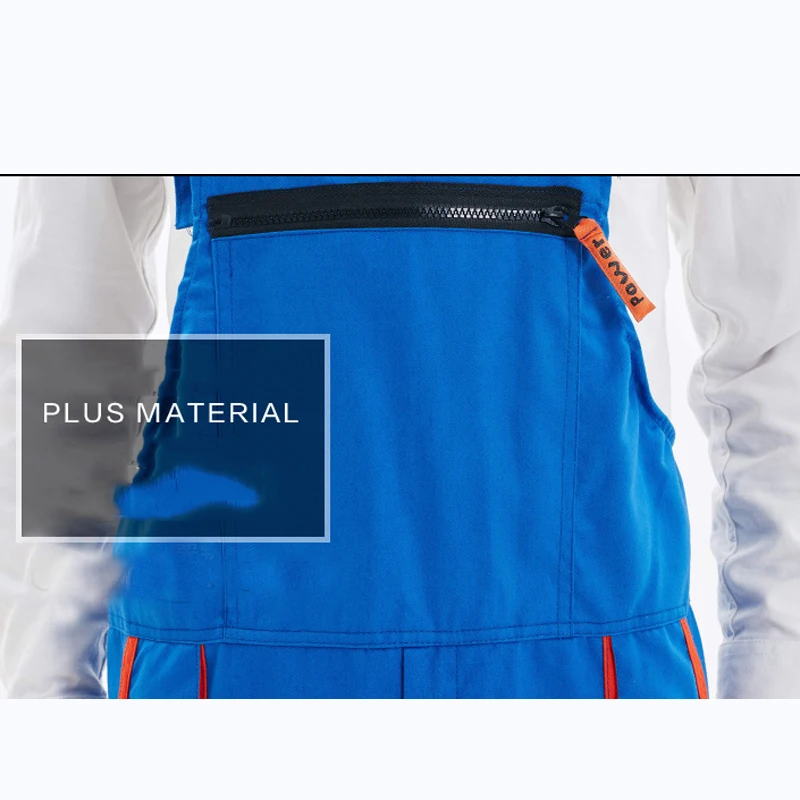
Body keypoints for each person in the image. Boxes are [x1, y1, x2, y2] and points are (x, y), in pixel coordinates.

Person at [0, 176, 798, 699]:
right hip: (232, 661)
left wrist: (772, 703)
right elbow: (66, 355)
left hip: (590, 664)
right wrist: (44, 708)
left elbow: (770, 354)